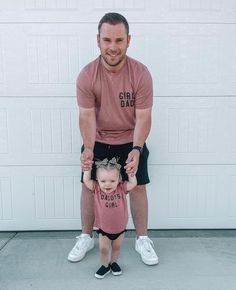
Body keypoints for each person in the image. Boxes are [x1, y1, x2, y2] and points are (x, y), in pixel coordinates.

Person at [68, 12, 158, 266]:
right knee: (89, 185)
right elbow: (86, 117)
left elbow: (143, 117)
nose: (113, 47)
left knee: (137, 185)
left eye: (119, 40)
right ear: (98, 40)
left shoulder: (141, 74)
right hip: (97, 139)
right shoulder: (87, 75)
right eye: (107, 40)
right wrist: (88, 148)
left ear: (128, 40)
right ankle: (86, 236)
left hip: (131, 139)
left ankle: (142, 239)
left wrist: (137, 148)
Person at [83, 157, 137, 278]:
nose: (107, 184)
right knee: (103, 249)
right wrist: (87, 169)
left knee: (117, 247)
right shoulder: (97, 189)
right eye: (103, 181)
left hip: (120, 227)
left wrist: (131, 173)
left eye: (112, 181)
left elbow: (133, 183)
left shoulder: (122, 188)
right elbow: (86, 181)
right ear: (97, 180)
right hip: (104, 229)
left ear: (119, 179)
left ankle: (114, 263)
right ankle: (105, 265)